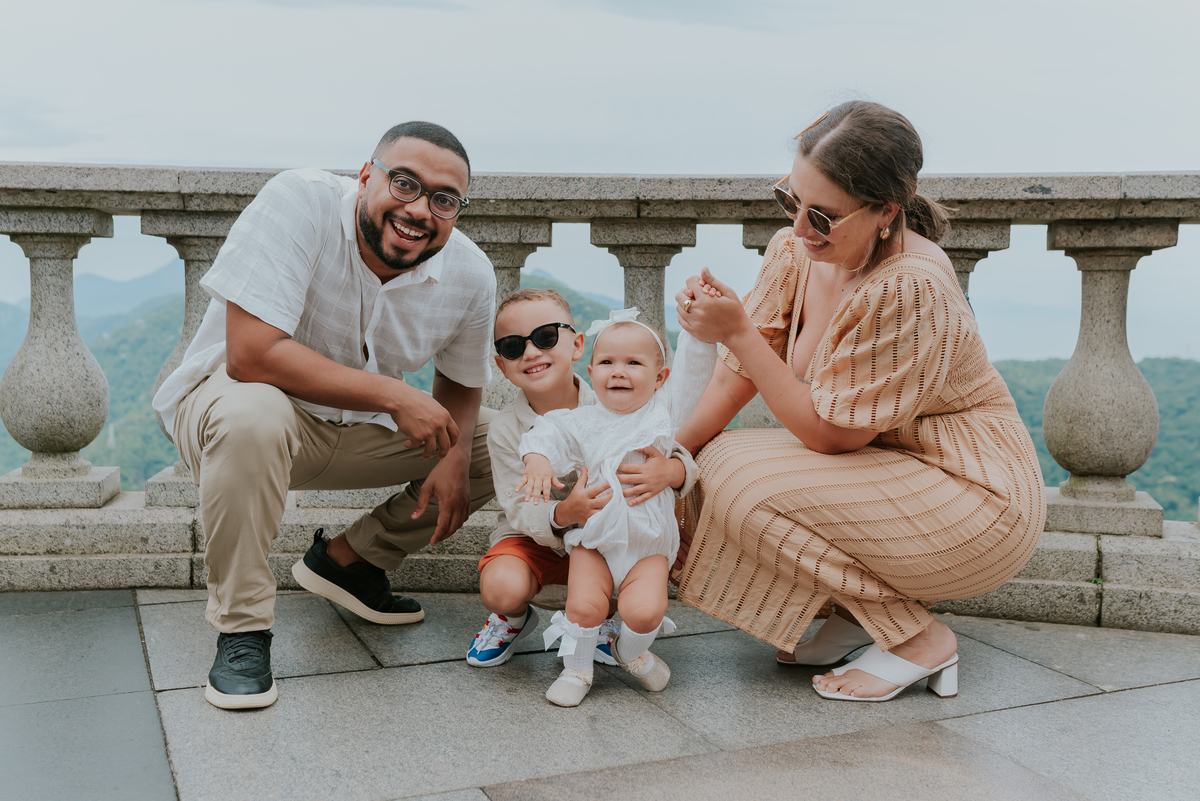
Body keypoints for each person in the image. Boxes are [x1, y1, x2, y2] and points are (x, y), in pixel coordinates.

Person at [673, 100, 1046, 702]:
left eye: (821, 216)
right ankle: (855, 619)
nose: (798, 228)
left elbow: (830, 434)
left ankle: (916, 640)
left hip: (973, 493)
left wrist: (736, 329)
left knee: (741, 484)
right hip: (892, 470)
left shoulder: (911, 286)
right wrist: (668, 457)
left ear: (885, 212)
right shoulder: (797, 252)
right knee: (701, 467)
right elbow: (735, 378)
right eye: (790, 201)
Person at [152, 121, 497, 710]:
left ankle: (351, 562)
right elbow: (250, 354)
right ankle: (243, 630)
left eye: (444, 199)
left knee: (505, 443)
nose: (419, 210)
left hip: (350, 433)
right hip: (238, 410)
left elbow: (462, 385)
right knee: (254, 413)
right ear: (367, 176)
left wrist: (456, 457)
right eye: (405, 184)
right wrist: (394, 395)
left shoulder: (469, 273)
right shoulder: (299, 202)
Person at [467, 289, 698, 673]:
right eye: (512, 346)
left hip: (607, 540)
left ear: (576, 345)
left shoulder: (618, 397)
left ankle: (601, 624)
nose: (531, 353)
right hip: (537, 540)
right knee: (501, 588)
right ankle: (511, 619)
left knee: (619, 580)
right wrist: (563, 512)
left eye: (544, 337)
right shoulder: (506, 429)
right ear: (501, 364)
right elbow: (519, 508)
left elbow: (673, 450)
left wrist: (673, 473)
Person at [519, 309, 717, 706]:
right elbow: (548, 433)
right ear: (591, 372)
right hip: (594, 539)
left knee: (644, 612)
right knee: (585, 605)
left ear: (660, 378)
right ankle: (577, 670)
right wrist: (538, 459)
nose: (619, 372)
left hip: (648, 543)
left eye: (634, 363)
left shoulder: (663, 415)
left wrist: (699, 330)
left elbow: (696, 373)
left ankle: (631, 652)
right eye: (607, 362)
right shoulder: (581, 421)